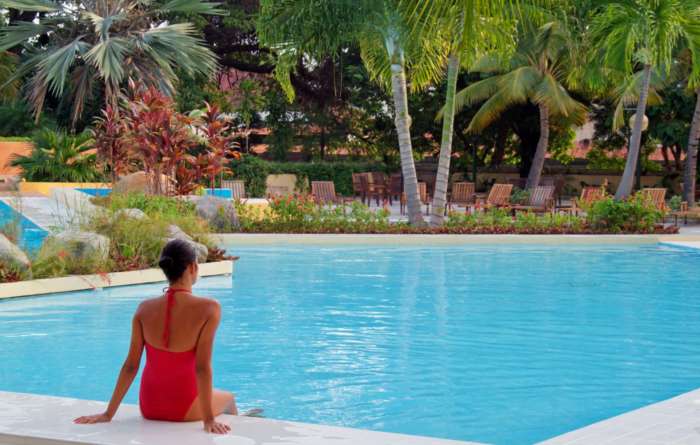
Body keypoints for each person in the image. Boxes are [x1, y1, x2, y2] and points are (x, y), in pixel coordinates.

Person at [75, 239, 240, 434]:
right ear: (192, 267)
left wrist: (108, 414)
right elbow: (202, 368)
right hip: (184, 407)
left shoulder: (143, 309)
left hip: (149, 406)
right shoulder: (209, 309)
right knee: (229, 398)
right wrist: (208, 420)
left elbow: (130, 366)